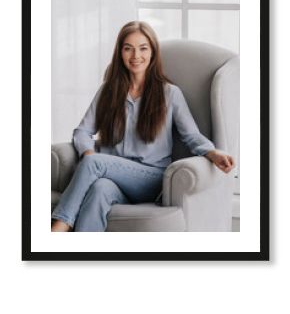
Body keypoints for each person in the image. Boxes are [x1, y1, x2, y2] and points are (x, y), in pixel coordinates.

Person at [51, 21, 235, 232]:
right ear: (120, 53)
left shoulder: (170, 93)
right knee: (99, 190)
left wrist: (212, 153)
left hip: (150, 178)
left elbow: (191, 135)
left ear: (153, 52)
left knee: (93, 163)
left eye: (143, 48)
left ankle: (58, 229)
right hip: (114, 177)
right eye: (128, 48)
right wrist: (88, 150)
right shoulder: (108, 91)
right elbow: (82, 131)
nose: (135, 55)